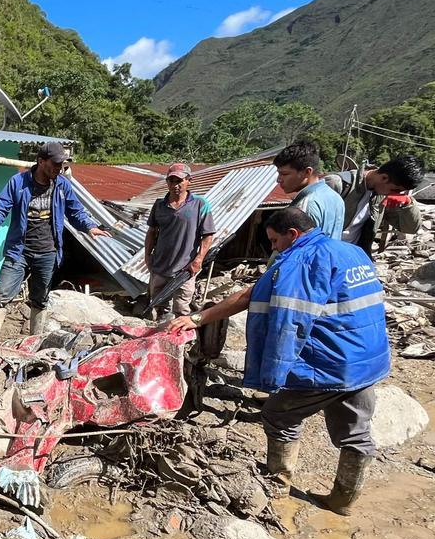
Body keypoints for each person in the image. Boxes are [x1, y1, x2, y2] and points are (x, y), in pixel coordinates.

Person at [168, 206, 390, 515]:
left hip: (330, 361)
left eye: (274, 241)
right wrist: (200, 317)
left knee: (278, 415)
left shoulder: (301, 261)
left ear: (293, 235)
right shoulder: (351, 252)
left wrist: (273, 375)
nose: (272, 248)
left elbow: (290, 322)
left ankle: (276, 489)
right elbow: (253, 293)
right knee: (356, 432)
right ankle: (343, 501)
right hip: (366, 359)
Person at [0, 142, 110, 339]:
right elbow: (1, 205)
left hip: (48, 252)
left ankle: (34, 342)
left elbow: (75, 210)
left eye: (61, 165)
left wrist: (89, 227)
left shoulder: (62, 185)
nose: (59, 169)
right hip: (18, 251)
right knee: (2, 295)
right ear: (41, 161)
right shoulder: (18, 182)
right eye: (55, 164)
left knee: (40, 299)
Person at [144, 162, 216, 320]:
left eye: (179, 181)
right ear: (167, 182)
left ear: (189, 180)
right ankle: (161, 339)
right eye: (171, 181)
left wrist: (199, 259)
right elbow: (152, 232)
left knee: (181, 309)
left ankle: (181, 342)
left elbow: (208, 235)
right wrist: (147, 256)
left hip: (185, 269)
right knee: (159, 307)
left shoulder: (199, 204)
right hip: (160, 266)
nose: (175, 185)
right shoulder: (159, 205)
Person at [328, 155, 425, 255]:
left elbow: (410, 228)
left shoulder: (381, 196)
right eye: (395, 190)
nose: (394, 194)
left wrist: (408, 203)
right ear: (384, 178)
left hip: (353, 257)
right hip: (326, 254)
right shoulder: (338, 184)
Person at [273, 141, 344, 240]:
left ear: (307, 172)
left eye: (284, 174)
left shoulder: (305, 206)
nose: (279, 180)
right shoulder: (335, 197)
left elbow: (298, 250)